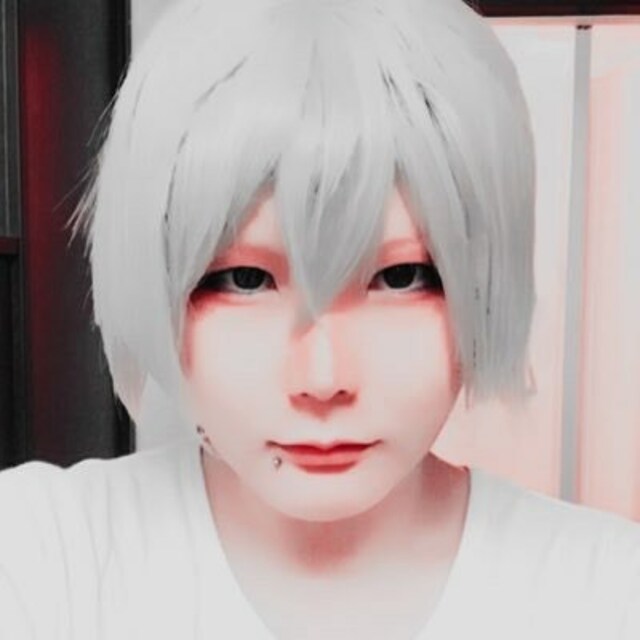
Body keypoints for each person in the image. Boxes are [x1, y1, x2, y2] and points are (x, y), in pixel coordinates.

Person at [1, 0, 639, 638]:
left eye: (401, 277)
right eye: (246, 280)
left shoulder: (608, 591)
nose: (323, 378)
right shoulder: (42, 555)